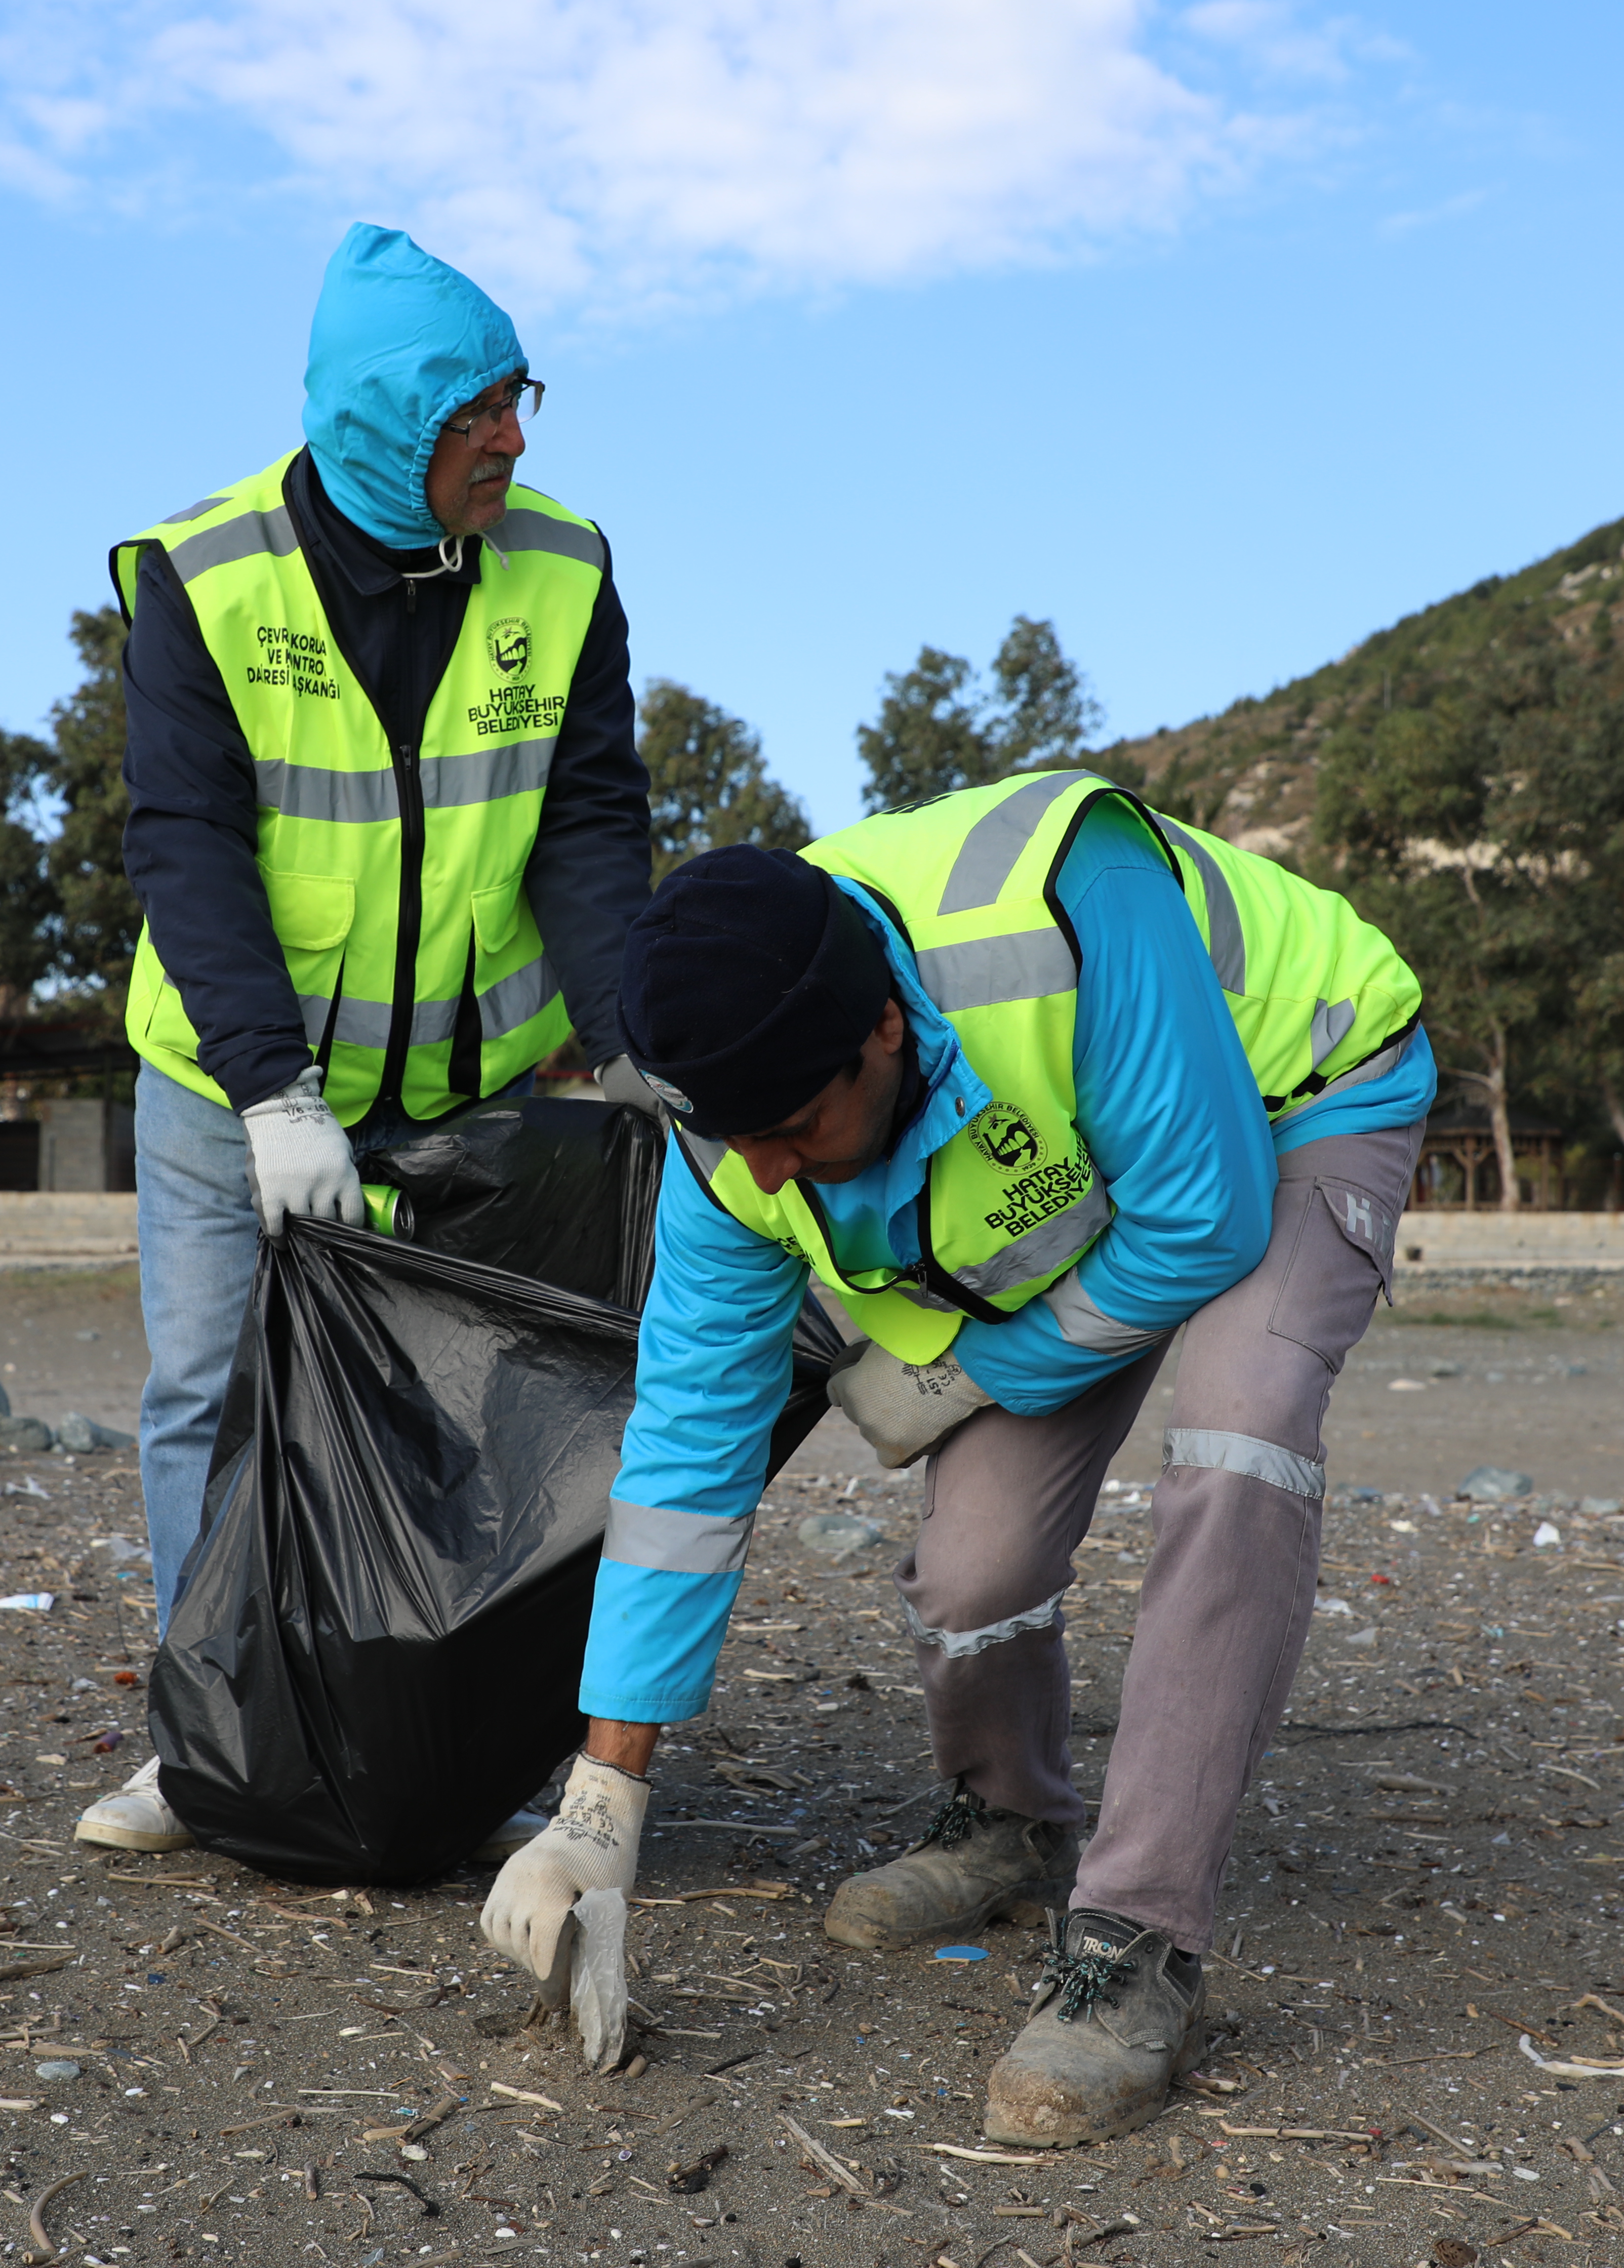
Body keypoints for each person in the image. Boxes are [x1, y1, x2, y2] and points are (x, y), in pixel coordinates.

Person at [479, 770, 1432, 2145]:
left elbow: (1204, 1225)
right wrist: (606, 1790)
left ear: (882, 1027)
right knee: (976, 1562)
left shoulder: (1060, 908)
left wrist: (963, 1372)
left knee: (1240, 1443)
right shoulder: (736, 1129)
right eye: (745, 1150)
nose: (780, 1179)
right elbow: (688, 1443)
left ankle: (1136, 1943)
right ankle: (1010, 1823)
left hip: (1294, 1107)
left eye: (800, 1134)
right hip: (1106, 1201)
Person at [76, 224, 657, 1854]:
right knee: (212, 1397)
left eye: (521, 400)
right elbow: (184, 842)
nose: (518, 440)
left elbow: (590, 828)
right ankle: (215, 1745)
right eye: (484, 410)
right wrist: (271, 1089)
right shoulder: (207, 577)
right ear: (391, 421)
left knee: (441, 1419)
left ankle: (417, 1743)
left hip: (461, 1104)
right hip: (230, 1093)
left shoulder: (566, 568)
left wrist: (628, 1050)